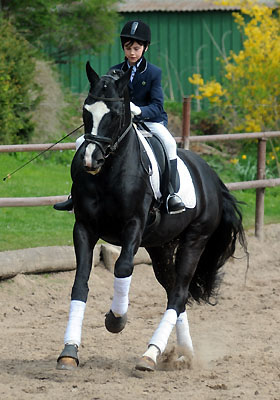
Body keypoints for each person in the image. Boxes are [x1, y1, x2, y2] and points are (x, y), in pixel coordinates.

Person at [54, 20, 185, 214]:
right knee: (81, 141)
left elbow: (157, 107)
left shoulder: (153, 73)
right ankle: (76, 194)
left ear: (145, 48)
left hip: (148, 122)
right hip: (120, 125)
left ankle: (170, 194)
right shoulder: (114, 72)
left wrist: (139, 111)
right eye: (128, 48)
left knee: (169, 143)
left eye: (136, 48)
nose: (132, 53)